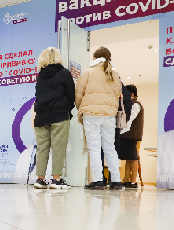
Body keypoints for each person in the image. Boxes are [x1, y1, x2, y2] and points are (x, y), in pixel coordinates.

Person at [76, 46, 123, 190]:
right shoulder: (114, 75)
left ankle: (98, 180)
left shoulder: (88, 73)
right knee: (110, 148)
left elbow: (79, 94)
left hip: (91, 115)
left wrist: (81, 108)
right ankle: (116, 180)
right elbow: (118, 96)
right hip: (109, 116)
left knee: (94, 148)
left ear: (95, 59)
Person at [32, 47, 75, 190]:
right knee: (58, 147)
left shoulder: (41, 76)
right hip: (59, 115)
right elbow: (71, 96)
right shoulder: (64, 74)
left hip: (41, 116)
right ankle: (56, 180)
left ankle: (40, 179)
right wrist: (66, 109)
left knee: (42, 148)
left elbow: (38, 96)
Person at [119, 85, 144, 189]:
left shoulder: (136, 105)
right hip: (127, 134)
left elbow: (129, 119)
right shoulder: (132, 104)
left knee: (132, 158)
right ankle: (126, 180)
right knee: (128, 158)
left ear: (132, 94)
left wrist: (119, 131)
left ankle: (133, 181)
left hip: (131, 135)